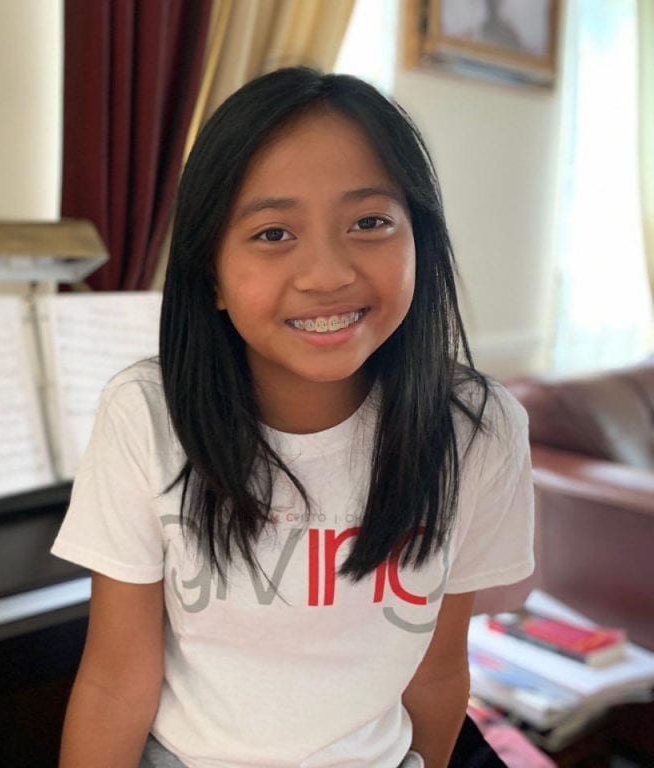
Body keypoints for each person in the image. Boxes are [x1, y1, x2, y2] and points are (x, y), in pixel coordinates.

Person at [51, 67, 533, 768]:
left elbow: (436, 673)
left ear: (419, 240)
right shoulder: (147, 416)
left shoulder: (477, 432)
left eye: (370, 222)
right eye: (274, 232)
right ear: (211, 273)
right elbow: (115, 683)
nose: (326, 273)